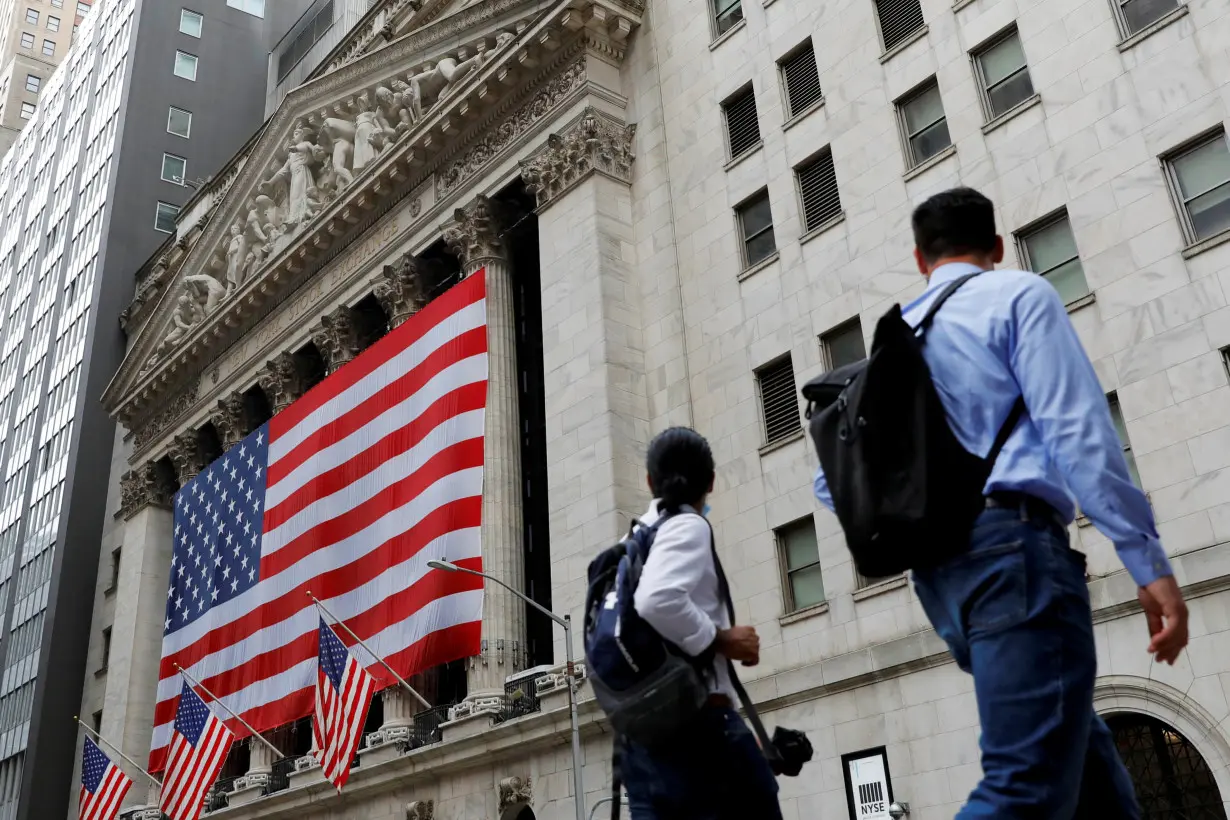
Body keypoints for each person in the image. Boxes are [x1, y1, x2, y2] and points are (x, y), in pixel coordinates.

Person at [813, 188, 1189, 819]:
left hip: (942, 578)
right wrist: (1148, 564)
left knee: (1093, 786)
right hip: (1012, 553)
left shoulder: (891, 345)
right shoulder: (1018, 295)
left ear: (918, 258)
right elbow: (1079, 433)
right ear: (997, 245)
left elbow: (831, 484)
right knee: (1024, 787)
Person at [620, 427, 783, 820]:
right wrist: (722, 639)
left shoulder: (637, 537)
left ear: (649, 481)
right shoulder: (686, 525)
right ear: (711, 480)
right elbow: (656, 599)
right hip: (700, 728)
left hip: (642, 745)